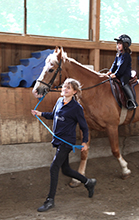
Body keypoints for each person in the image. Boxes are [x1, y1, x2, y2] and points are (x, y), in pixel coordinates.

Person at [31, 78, 96, 212]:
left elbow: (84, 127)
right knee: (65, 169)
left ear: (74, 92)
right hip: (58, 140)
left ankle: (50, 200)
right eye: (64, 86)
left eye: (68, 88)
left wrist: (84, 142)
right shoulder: (59, 101)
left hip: (66, 142)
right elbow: (53, 115)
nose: (64, 89)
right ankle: (89, 182)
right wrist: (40, 113)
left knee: (54, 167)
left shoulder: (77, 108)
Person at [106, 34, 138, 110]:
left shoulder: (126, 55)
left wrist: (116, 74)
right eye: (117, 43)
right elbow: (114, 64)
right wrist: (110, 71)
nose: (118, 45)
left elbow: (122, 67)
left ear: (125, 45)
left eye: (120, 43)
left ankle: (132, 101)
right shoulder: (118, 54)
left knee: (124, 84)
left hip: (124, 74)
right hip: (119, 73)